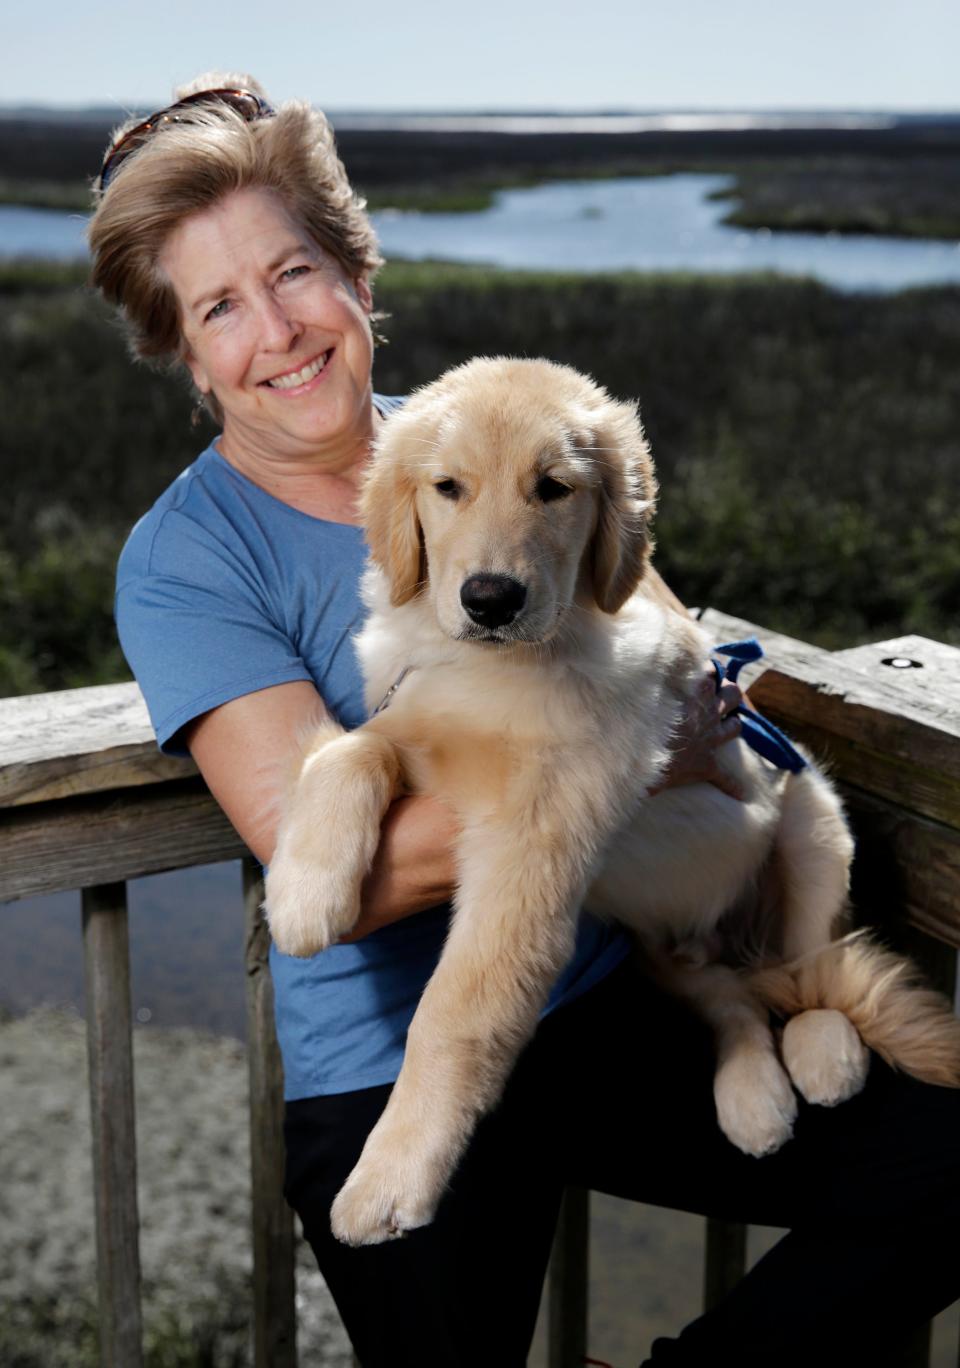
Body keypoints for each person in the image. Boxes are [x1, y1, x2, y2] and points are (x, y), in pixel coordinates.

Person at [90, 73, 960, 1368]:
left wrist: (705, 739)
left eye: (295, 272)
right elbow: (333, 865)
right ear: (184, 349)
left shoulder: (489, 432)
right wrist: (619, 750)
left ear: (358, 273)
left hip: (612, 992)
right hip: (391, 1066)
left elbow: (666, 641)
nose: (276, 330)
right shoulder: (186, 561)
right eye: (220, 306)